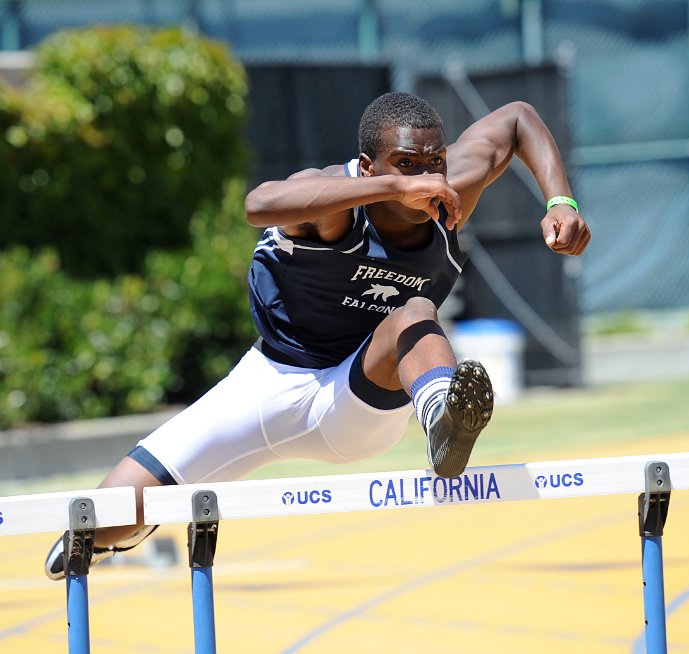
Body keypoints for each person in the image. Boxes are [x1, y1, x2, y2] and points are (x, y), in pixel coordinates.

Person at [46, 91, 589, 579]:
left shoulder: (450, 197)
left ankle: (442, 418)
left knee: (413, 310)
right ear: (367, 166)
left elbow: (518, 118)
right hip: (270, 382)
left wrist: (559, 202)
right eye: (406, 165)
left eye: (434, 163)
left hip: (358, 398)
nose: (427, 178)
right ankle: (122, 536)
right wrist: (392, 187)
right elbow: (257, 205)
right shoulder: (328, 207)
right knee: (99, 521)